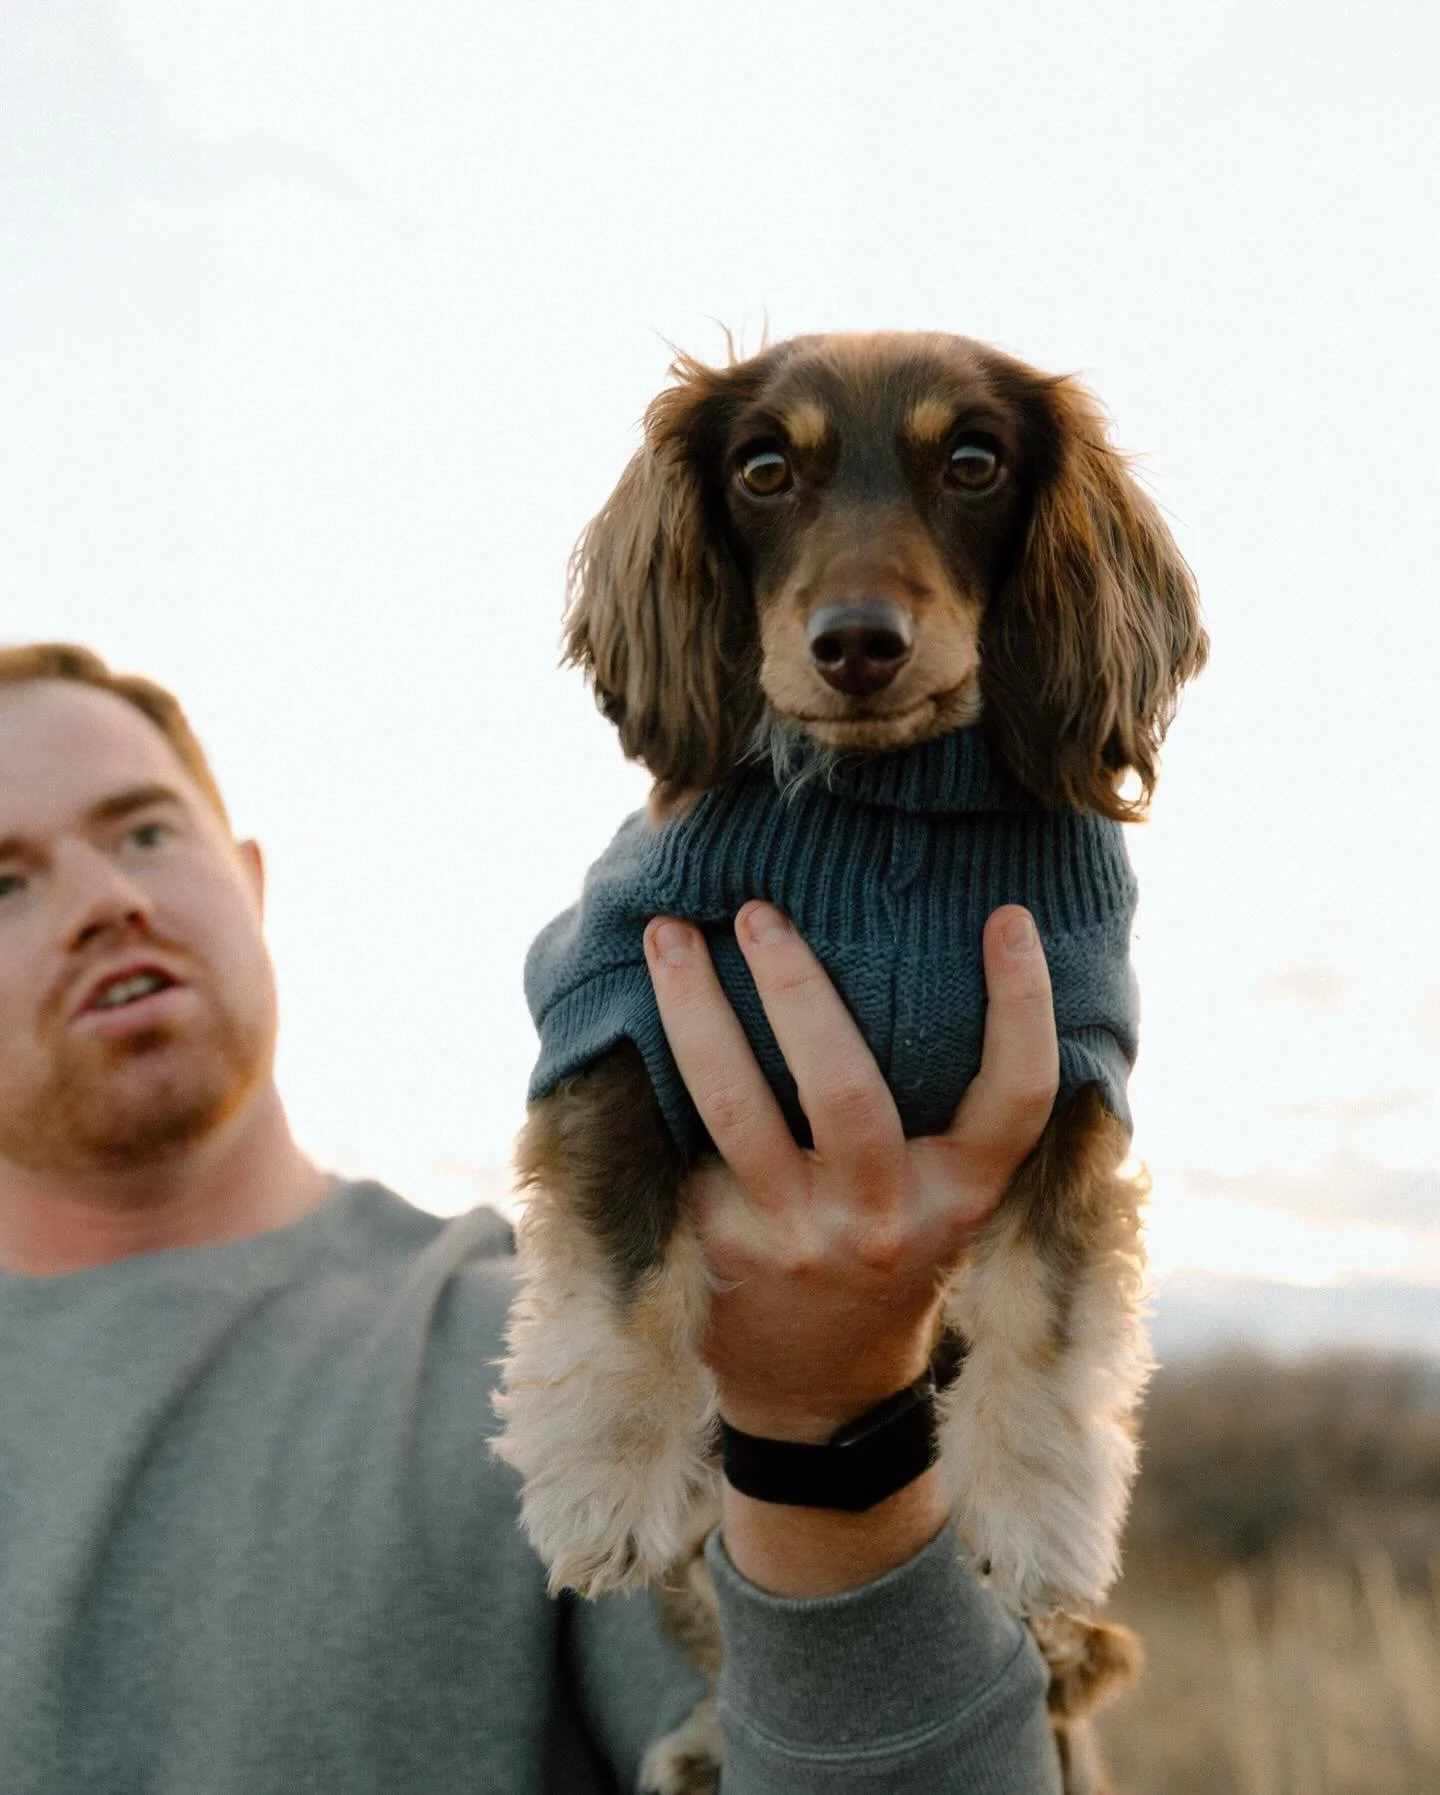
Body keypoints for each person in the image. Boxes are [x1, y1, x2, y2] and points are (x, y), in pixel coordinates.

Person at [0, 643, 1065, 1792]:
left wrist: (826, 1421)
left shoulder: (596, 1353)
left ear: (251, 882)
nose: (109, 901)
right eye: (5, 882)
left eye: (146, 832)